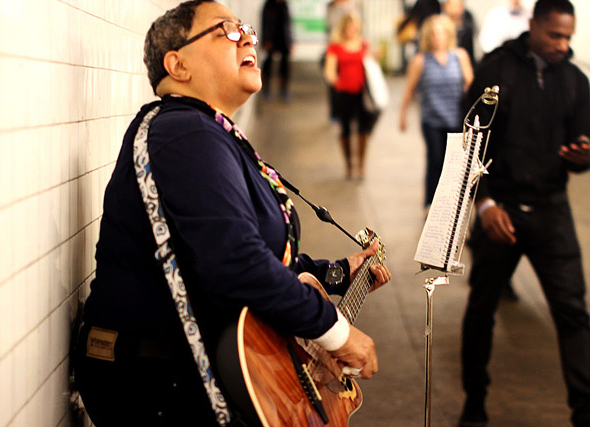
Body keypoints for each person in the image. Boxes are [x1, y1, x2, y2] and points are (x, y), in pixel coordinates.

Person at [73, 1, 392, 425]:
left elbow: (252, 252)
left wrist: (336, 272)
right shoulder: (183, 132)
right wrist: (334, 331)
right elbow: (237, 262)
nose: (247, 37)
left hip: (182, 368)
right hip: (158, 382)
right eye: (226, 30)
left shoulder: (208, 133)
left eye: (247, 30)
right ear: (178, 65)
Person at [459, 1, 590, 426]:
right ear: (533, 26)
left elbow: (582, 151)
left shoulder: (575, 80)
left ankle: (588, 416)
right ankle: (474, 404)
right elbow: (469, 141)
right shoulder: (497, 70)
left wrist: (582, 156)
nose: (562, 45)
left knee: (574, 314)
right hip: (503, 210)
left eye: (569, 37)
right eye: (555, 35)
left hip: (552, 212)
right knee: (482, 310)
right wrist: (486, 204)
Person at [398, 14, 473, 209]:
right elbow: (409, 89)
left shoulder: (460, 56)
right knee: (436, 159)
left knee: (455, 164)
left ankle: (452, 204)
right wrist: (402, 115)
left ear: (448, 35)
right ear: (427, 37)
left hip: (457, 119)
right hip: (432, 119)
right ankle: (430, 203)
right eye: (433, 34)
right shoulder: (420, 60)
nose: (437, 38)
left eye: (440, 34)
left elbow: (471, 86)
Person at [324, 12, 380, 180]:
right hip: (344, 94)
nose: (351, 31)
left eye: (354, 28)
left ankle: (361, 165)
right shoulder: (335, 47)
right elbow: (329, 71)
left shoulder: (363, 45)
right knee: (346, 129)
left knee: (363, 129)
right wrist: (338, 82)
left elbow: (371, 67)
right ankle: (349, 164)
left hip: (362, 94)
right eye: (348, 28)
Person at [260, 0, 293, 101]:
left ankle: (283, 90)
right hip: (271, 39)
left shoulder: (284, 5)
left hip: (283, 39)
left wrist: (290, 41)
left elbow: (288, 24)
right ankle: (266, 89)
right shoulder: (269, 5)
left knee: (285, 66)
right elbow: (265, 23)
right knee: (268, 64)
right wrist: (266, 40)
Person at [442, 0, 477, 67]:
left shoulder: (468, 26)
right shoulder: (438, 26)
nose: (456, 9)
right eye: (453, 6)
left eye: (458, 5)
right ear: (445, 6)